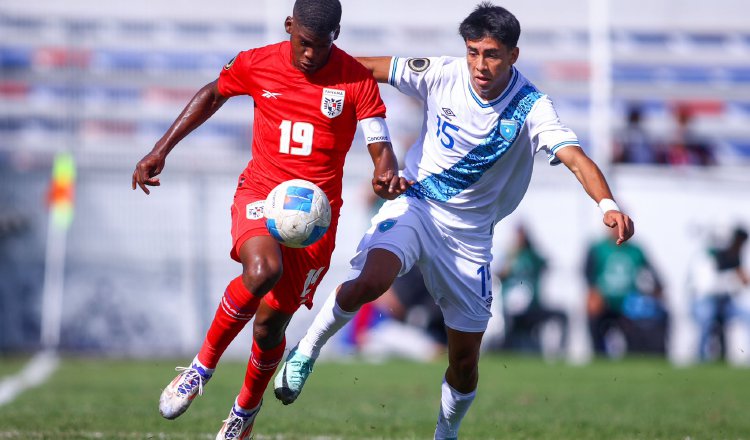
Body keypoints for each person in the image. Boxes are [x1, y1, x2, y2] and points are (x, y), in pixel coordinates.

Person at [273, 3, 634, 439]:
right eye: (473, 52)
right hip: (416, 206)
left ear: (513, 56)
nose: (481, 65)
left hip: (469, 240)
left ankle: (446, 433)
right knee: (370, 280)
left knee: (464, 364)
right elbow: (363, 68)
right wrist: (300, 72)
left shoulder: (532, 107)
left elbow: (575, 158)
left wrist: (607, 204)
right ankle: (306, 351)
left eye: (492, 54)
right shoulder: (440, 72)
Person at [131, 1, 410, 438]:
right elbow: (213, 93)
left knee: (268, 325)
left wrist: (384, 169)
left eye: (320, 46)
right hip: (262, 192)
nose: (308, 55)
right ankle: (200, 369)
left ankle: (244, 411)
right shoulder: (258, 62)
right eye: (302, 43)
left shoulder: (355, 78)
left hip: (316, 220)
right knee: (262, 270)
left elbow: (379, 138)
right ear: (288, 27)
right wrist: (160, 149)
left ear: (336, 34)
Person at [585, 226, 667, 358]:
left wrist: (657, 292)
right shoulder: (598, 248)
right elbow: (588, 275)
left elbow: (653, 273)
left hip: (629, 304)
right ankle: (597, 356)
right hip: (605, 303)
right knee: (593, 315)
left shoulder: (636, 251)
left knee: (651, 317)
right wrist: (593, 293)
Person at [495, 225, 567, 358]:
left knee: (561, 316)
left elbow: (547, 263)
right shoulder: (509, 256)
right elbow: (498, 274)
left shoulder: (532, 255)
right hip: (512, 310)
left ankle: (559, 353)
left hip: (532, 307)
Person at [689, 226, 750, 361]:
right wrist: (734, 279)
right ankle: (700, 358)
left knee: (748, 315)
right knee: (707, 318)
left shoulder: (735, 258)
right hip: (705, 300)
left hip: (725, 302)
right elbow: (707, 286)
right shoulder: (714, 255)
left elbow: (742, 283)